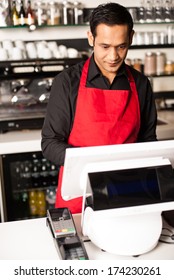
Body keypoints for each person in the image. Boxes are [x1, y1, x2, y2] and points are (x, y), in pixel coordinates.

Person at [41, 2, 157, 214]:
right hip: (79, 194)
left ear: (131, 38)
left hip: (128, 191)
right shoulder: (67, 82)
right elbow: (50, 143)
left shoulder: (141, 84)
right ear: (91, 38)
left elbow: (148, 141)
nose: (113, 57)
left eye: (121, 46)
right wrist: (91, 165)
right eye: (105, 46)